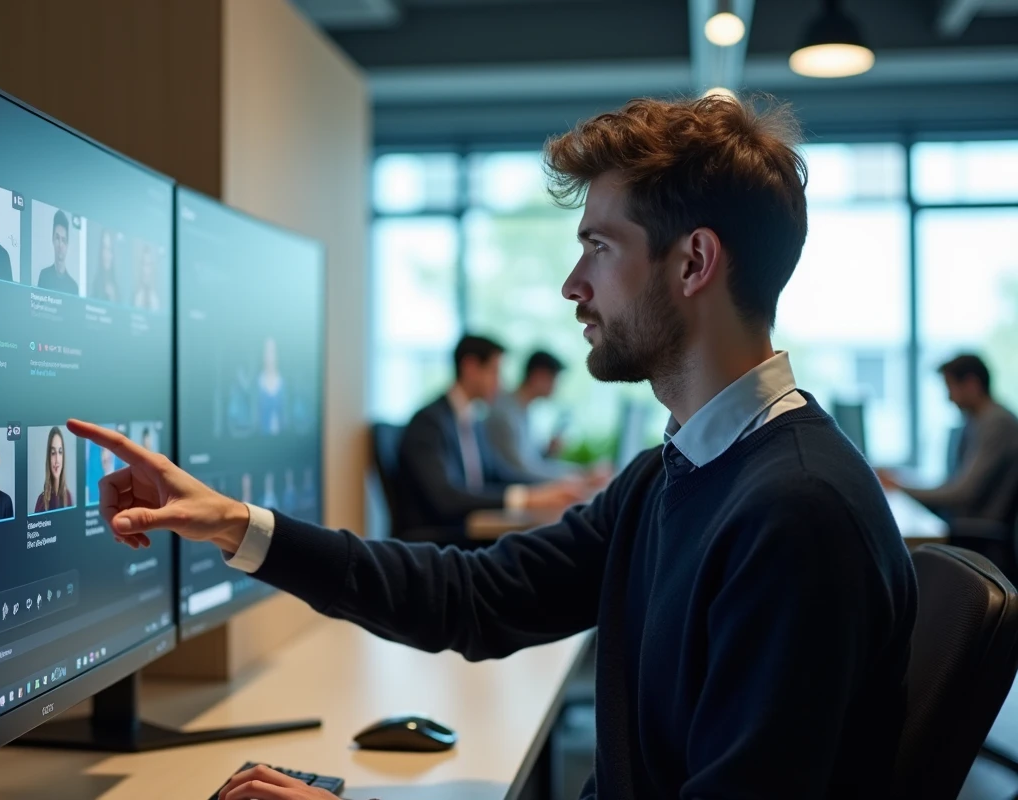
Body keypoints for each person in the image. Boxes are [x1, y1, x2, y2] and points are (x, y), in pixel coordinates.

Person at [70, 95, 917, 800]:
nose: (571, 284)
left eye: (598, 244)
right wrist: (235, 525)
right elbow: (476, 596)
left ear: (693, 262)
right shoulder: (681, 474)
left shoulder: (795, 516)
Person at [393, 335, 586, 542]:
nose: (500, 383)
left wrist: (546, 491)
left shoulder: (472, 421)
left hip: (468, 528)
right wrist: (525, 499)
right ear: (471, 368)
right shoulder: (430, 422)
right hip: (437, 540)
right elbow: (445, 498)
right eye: (495, 372)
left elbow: (498, 472)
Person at [878, 354, 1018, 522]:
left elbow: (963, 493)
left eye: (950, 388)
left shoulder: (996, 423)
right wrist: (902, 484)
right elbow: (954, 485)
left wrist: (901, 488)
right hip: (965, 521)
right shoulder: (976, 422)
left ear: (971, 384)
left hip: (976, 527)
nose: (949, 398)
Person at [485, 349, 581, 481]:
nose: (556, 386)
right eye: (553, 379)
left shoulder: (523, 410)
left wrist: (548, 452)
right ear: (538, 376)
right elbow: (519, 470)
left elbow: (531, 462)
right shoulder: (505, 413)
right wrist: (576, 477)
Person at [37, 210, 80, 295]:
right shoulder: (44, 276)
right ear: (52, 239)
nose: (60, 245)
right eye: (57, 238)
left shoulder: (73, 287)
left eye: (63, 240)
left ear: (67, 244)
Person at [34, 426, 73, 512]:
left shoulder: (68, 497)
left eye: (60, 452)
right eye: (53, 453)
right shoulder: (41, 502)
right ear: (48, 457)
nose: (57, 460)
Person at [256, 337, 286, 435]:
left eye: (272, 351)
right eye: (266, 352)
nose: (269, 356)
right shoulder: (257, 383)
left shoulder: (284, 383)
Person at [90, 228, 121, 303]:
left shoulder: (117, 289)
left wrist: (113, 298)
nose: (106, 254)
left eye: (109, 249)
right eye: (104, 248)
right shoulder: (95, 285)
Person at [132, 244, 161, 311]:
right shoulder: (135, 296)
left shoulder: (156, 299)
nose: (145, 270)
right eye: (143, 264)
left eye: (148, 265)